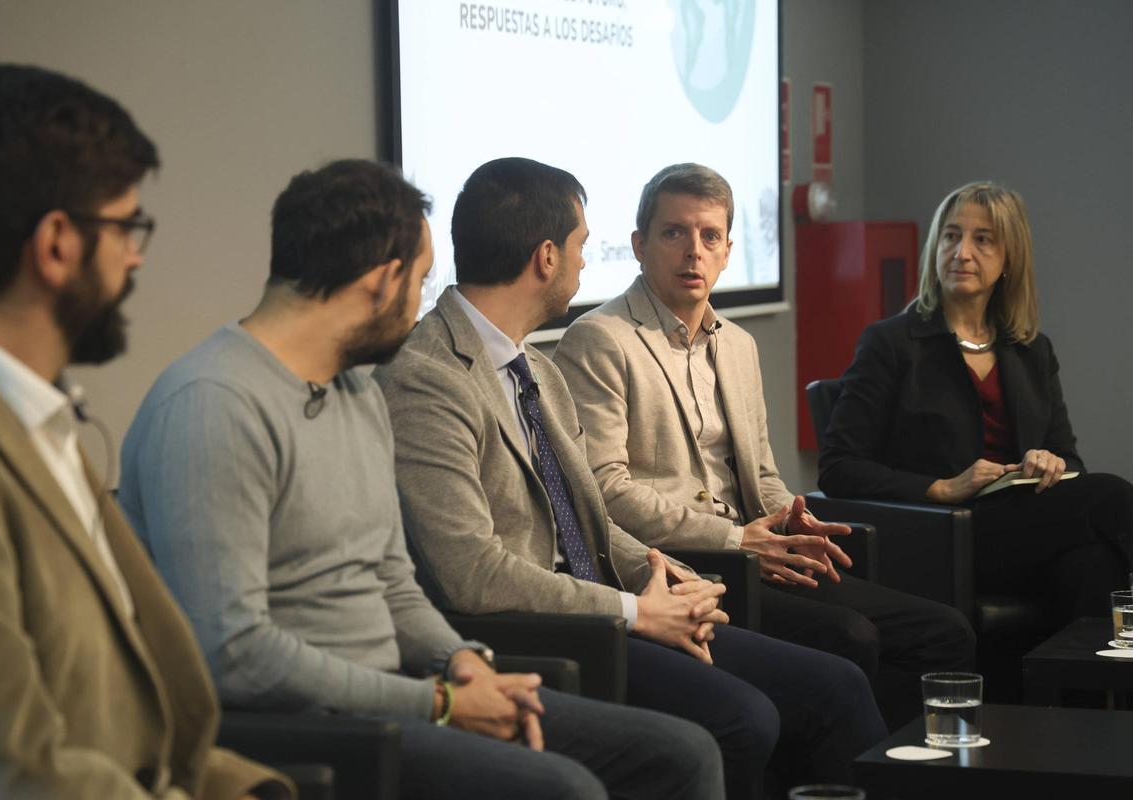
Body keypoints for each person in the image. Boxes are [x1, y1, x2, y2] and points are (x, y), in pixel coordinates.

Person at [119, 159, 724, 800]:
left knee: (680, 754)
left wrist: (463, 663)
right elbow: (235, 652)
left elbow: (394, 585)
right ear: (383, 280)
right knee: (567, 789)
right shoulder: (214, 402)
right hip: (312, 730)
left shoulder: (352, 390)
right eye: (423, 279)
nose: (427, 304)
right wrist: (436, 702)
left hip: (404, 690)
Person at [375, 156, 886, 798]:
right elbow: (473, 575)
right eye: (582, 245)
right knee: (745, 718)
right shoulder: (428, 377)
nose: (587, 263)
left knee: (837, 686)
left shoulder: (535, 365)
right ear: (546, 257)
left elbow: (587, 513)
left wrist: (669, 575)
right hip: (549, 628)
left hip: (611, 601)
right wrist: (635, 611)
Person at [0, 64, 288, 798]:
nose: (136, 256)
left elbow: (133, 726)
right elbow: (11, 773)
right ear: (58, 243)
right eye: (128, 227)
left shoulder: (35, 415)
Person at [553, 162, 975, 730]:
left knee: (944, 630)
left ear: (728, 249)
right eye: (674, 233)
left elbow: (763, 472)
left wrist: (793, 520)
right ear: (638, 245)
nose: (693, 252)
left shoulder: (739, 347)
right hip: (689, 563)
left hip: (759, 550)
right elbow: (603, 491)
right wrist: (736, 538)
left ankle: (899, 770)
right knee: (851, 636)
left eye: (708, 237)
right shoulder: (600, 339)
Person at [818, 180, 1133, 625]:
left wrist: (1049, 462)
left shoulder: (1032, 350)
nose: (962, 252)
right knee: (1115, 496)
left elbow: (1071, 461)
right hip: (943, 532)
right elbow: (838, 465)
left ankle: (1084, 696)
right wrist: (942, 487)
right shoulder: (891, 343)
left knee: (1095, 563)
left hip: (1024, 530)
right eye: (951, 236)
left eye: (982, 239)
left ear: (1009, 258)